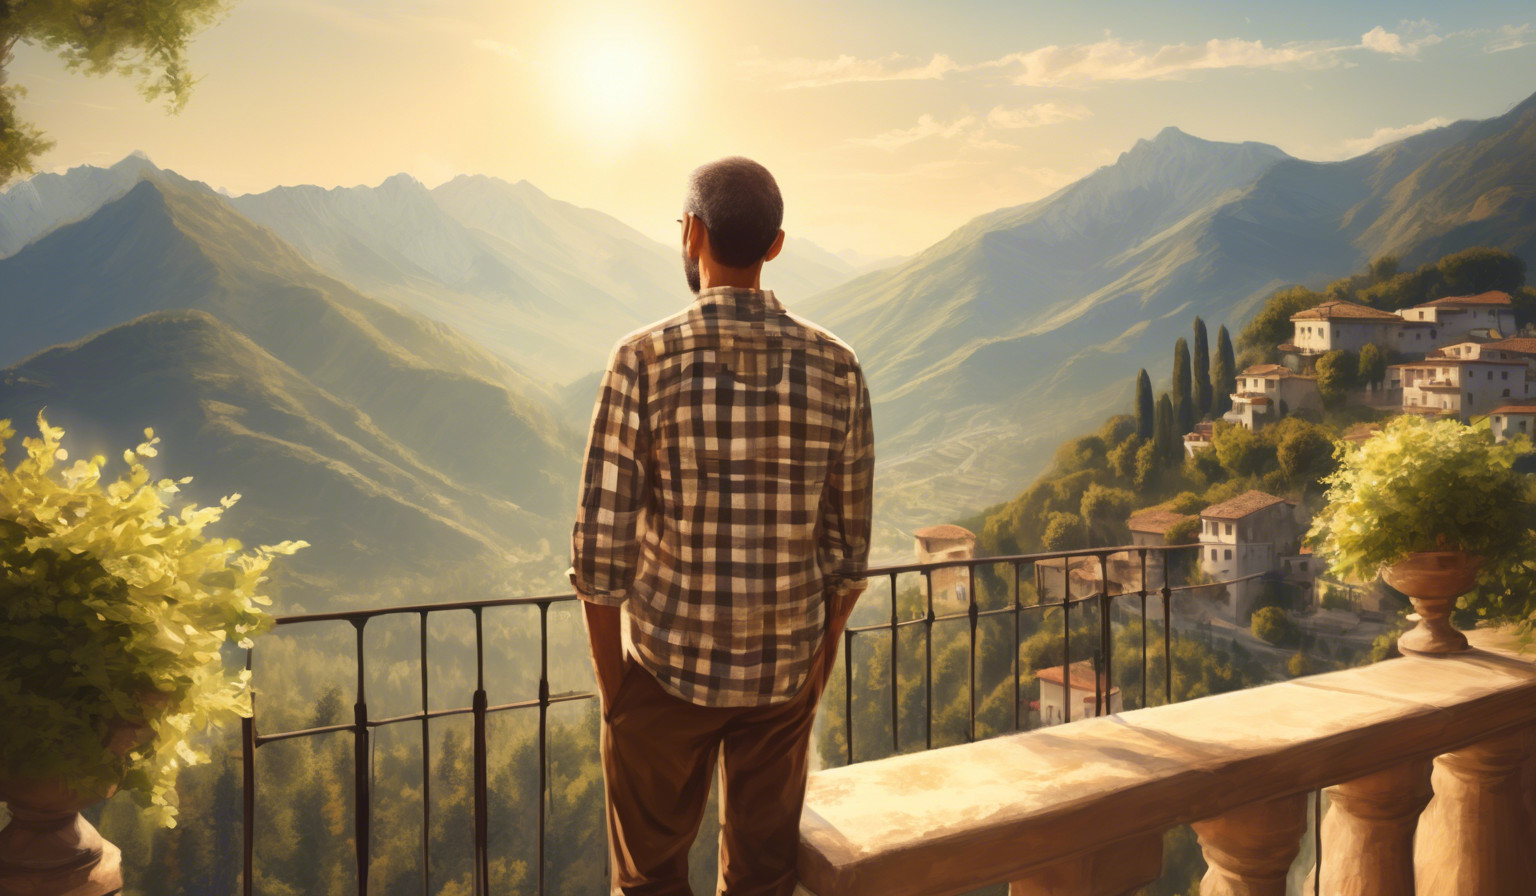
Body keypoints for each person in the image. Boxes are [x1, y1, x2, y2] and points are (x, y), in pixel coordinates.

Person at [570, 156, 873, 896]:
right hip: (781, 681)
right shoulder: (838, 367)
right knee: (763, 880)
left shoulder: (642, 360)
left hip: (665, 678)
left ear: (694, 234)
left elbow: (601, 559)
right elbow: (847, 557)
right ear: (774, 246)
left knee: (648, 881)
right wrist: (813, 669)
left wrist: (620, 700)